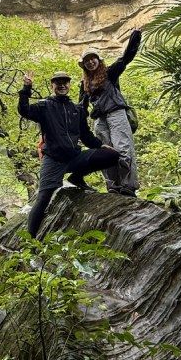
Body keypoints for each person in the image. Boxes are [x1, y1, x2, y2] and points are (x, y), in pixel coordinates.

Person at [18, 71, 120, 237]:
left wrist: (102, 146)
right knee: (43, 198)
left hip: (74, 157)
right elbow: (24, 110)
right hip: (53, 159)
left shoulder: (76, 109)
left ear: (69, 85)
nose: (62, 85)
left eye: (65, 82)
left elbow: (86, 136)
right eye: (58, 82)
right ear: (53, 86)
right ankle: (30, 240)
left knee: (111, 156)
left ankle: (76, 177)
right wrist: (26, 88)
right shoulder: (45, 106)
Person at [78, 29, 142, 198]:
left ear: (98, 60)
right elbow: (81, 108)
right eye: (87, 60)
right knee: (106, 153)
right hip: (99, 120)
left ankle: (128, 186)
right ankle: (113, 186)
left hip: (116, 113)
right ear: (83, 64)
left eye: (93, 58)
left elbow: (126, 57)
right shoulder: (84, 84)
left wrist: (135, 36)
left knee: (123, 148)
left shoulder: (110, 73)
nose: (90, 62)